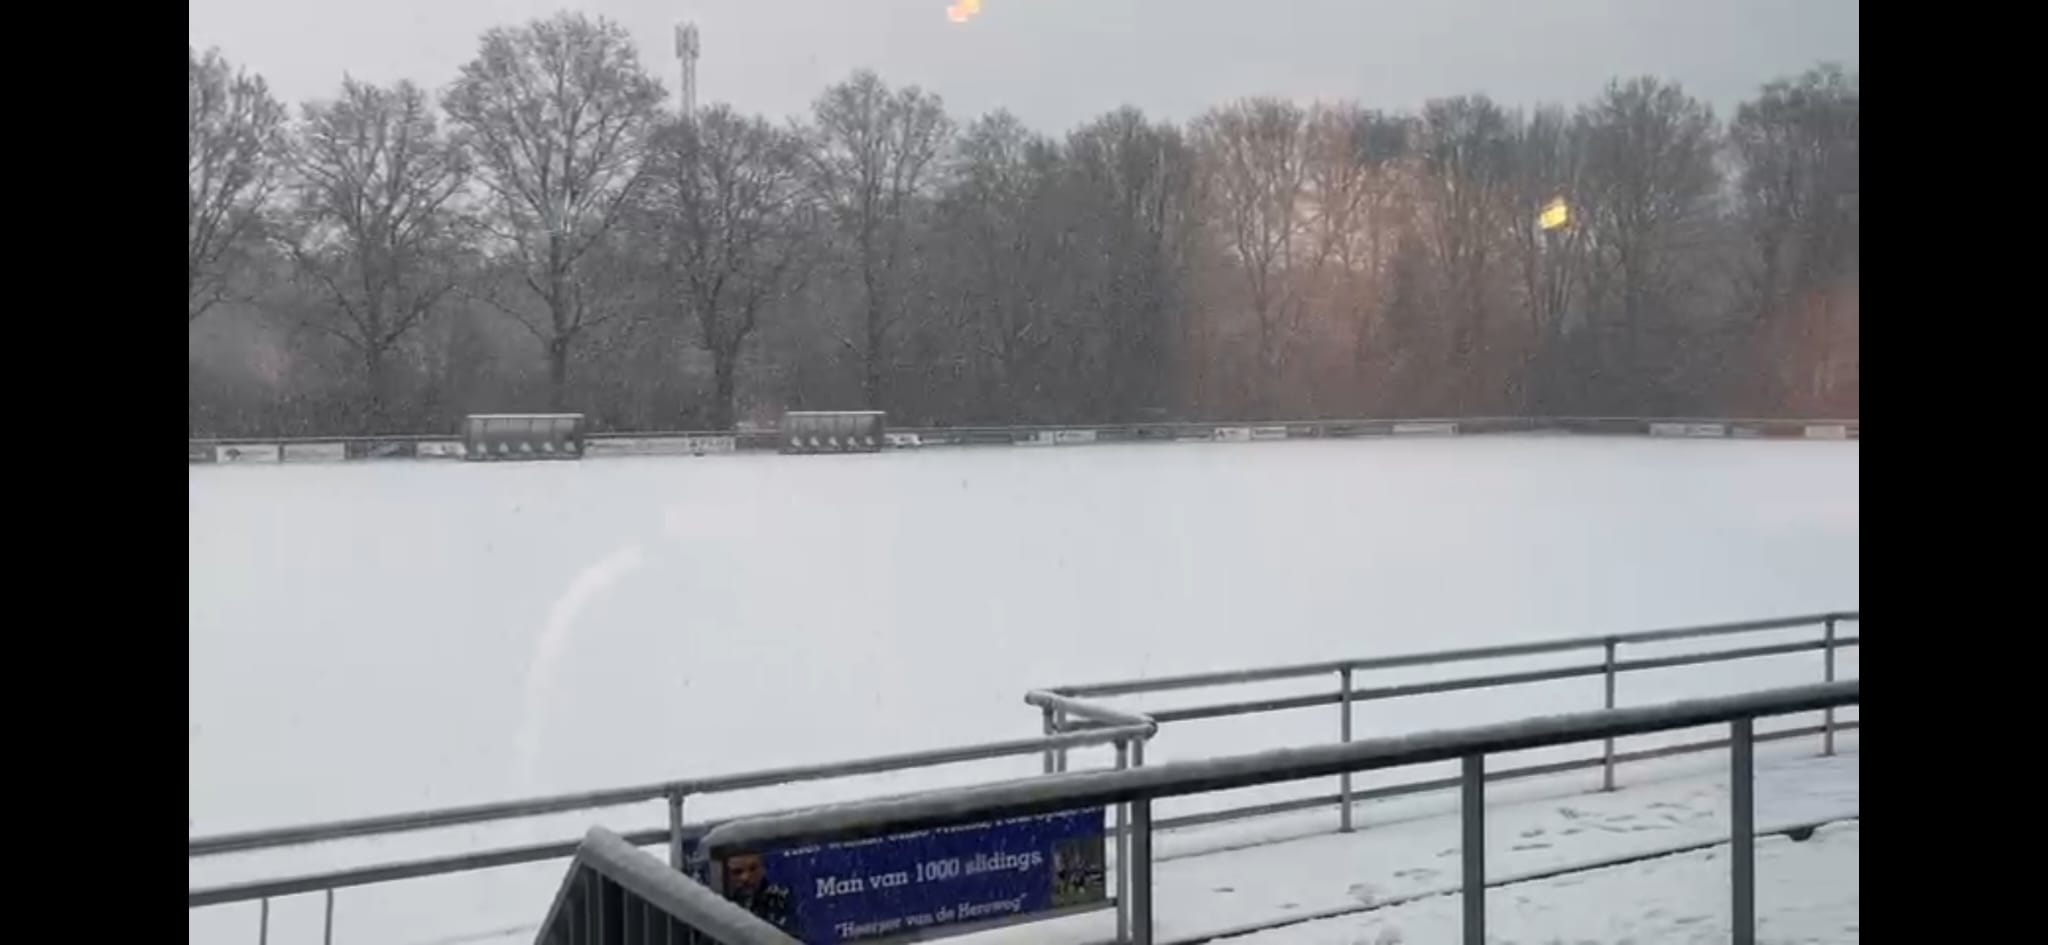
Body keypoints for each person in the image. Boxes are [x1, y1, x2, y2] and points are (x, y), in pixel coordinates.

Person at [722, 853, 797, 932]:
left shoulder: (780, 897)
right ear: (726, 876)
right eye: (737, 872)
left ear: (763, 869)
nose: (745, 877)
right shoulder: (721, 905)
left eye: (753, 869)